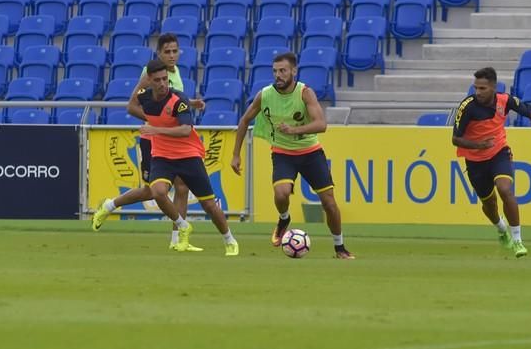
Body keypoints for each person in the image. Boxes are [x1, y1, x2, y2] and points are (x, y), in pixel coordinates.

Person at [230, 52, 354, 259]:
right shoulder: (265, 94)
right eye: (275, 71)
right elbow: (244, 121)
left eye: (282, 71)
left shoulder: (305, 93)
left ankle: (339, 247)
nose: (278, 75)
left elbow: (321, 124)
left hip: (310, 152)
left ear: (294, 71)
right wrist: (236, 154)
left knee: (329, 203)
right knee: (281, 194)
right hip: (282, 153)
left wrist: (295, 130)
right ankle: (284, 218)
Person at [92, 34, 204, 251]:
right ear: (159, 54)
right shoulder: (150, 74)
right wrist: (156, 122)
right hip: (153, 141)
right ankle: (109, 205)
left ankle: (178, 240)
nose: (172, 55)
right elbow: (132, 106)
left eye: (175, 51)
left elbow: (169, 101)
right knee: (151, 191)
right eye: (167, 52)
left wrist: (190, 103)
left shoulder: (176, 72)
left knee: (182, 186)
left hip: (174, 141)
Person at [124, 59, 239, 255]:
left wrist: (155, 128)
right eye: (157, 80)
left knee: (209, 205)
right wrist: (150, 116)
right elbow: (131, 106)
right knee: (158, 191)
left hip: (188, 155)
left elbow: (186, 130)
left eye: (165, 79)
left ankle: (230, 239)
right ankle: (183, 225)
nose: (162, 84)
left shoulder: (179, 99)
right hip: (162, 155)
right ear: (149, 81)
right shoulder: (145, 96)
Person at [452, 67, 531, 258]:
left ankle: (518, 240)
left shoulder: (505, 100)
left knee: (505, 189)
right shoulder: (467, 106)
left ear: (493, 87)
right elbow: (455, 139)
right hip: (475, 161)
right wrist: (479, 145)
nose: (478, 92)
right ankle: (501, 228)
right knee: (489, 205)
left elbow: (530, 113)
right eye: (476, 88)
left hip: (499, 153)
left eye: (482, 88)